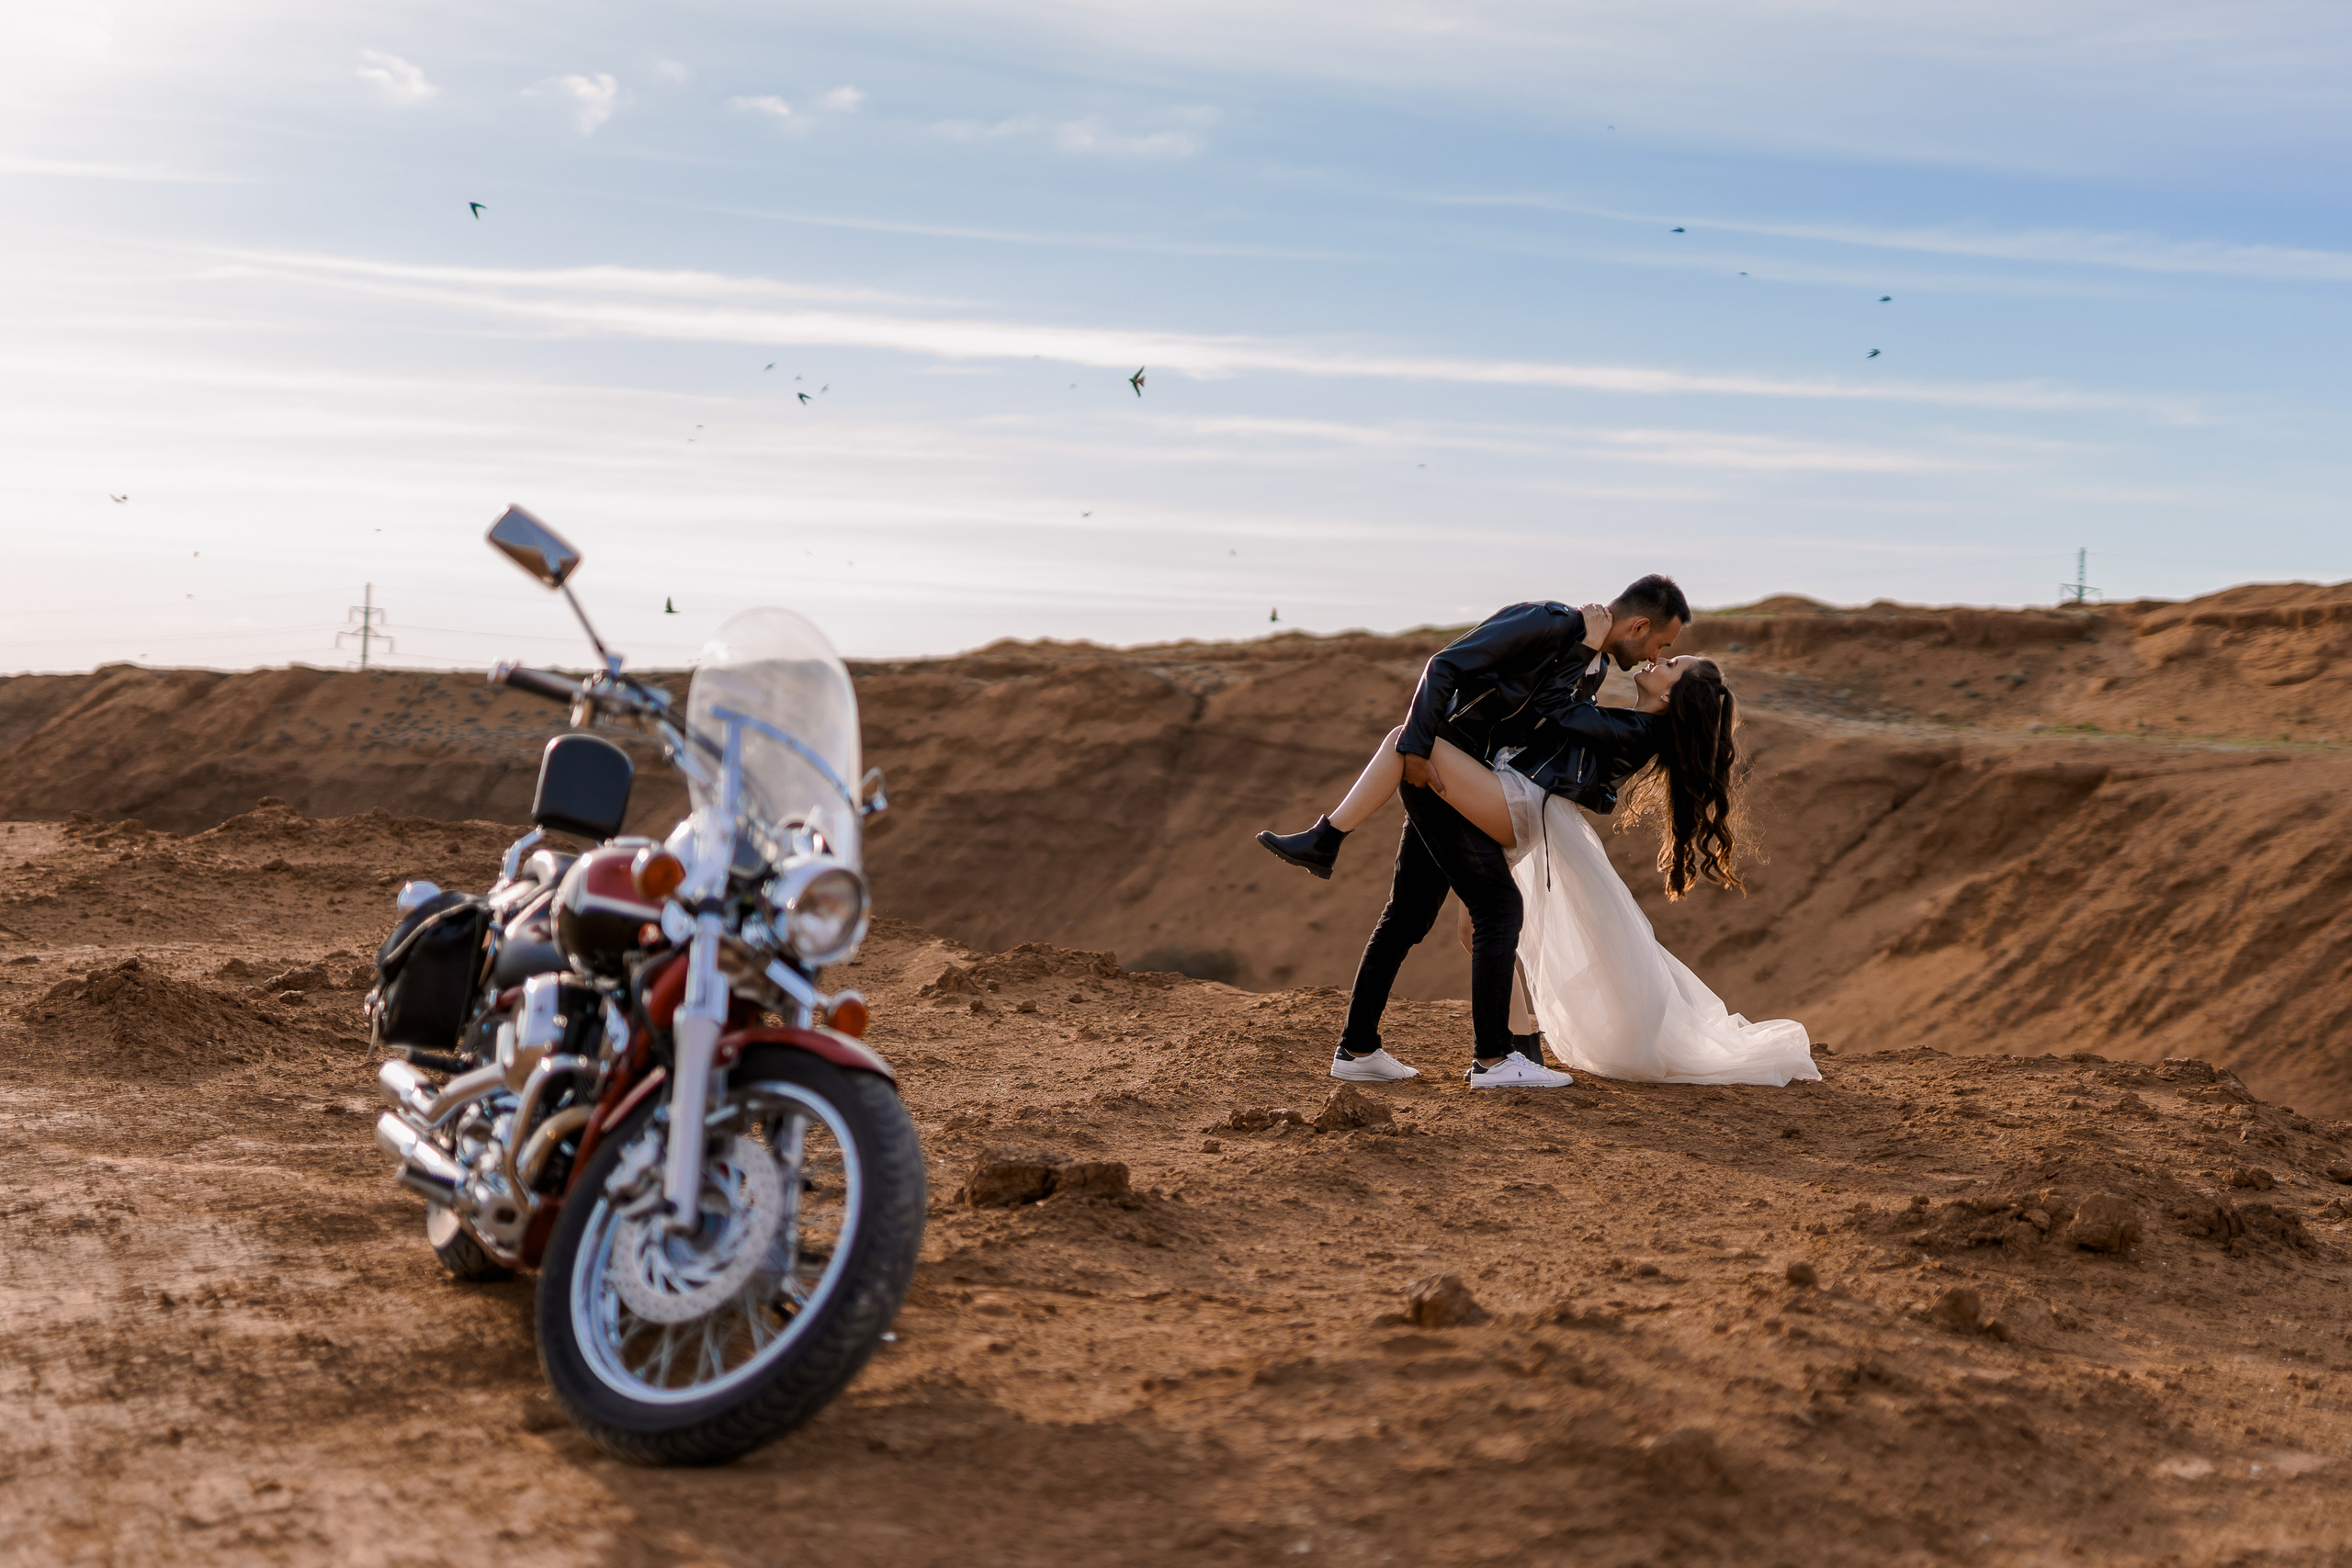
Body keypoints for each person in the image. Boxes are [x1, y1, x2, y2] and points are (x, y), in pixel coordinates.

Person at [1257, 577, 1689, 1087]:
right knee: (1494, 910)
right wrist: (1418, 749)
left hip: (1471, 780)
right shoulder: (1548, 622)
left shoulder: (1592, 662)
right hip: (1447, 767)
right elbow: (1445, 665)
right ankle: (1494, 1059)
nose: (1655, 656)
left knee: (1409, 916)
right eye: (1661, 644)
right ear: (1639, 626)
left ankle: (1359, 1050)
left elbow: (1548, 720)